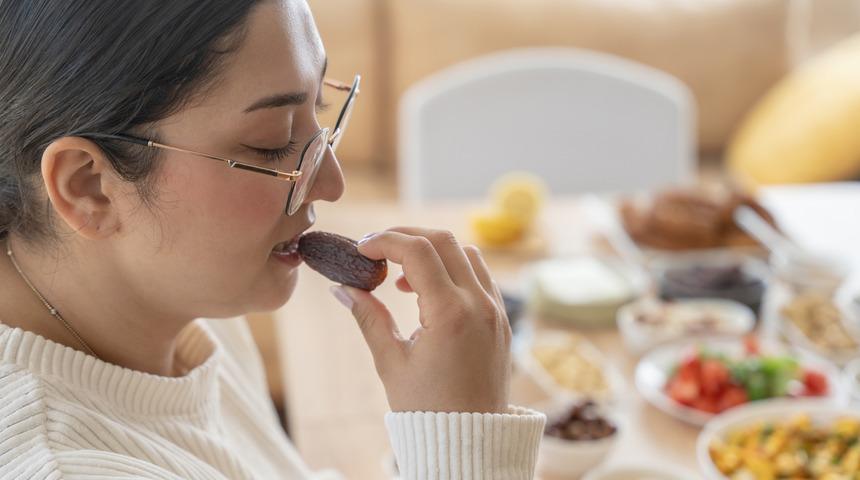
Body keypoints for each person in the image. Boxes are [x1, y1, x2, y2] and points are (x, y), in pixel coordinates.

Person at [0, 1, 544, 478]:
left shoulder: (188, 307)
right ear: (88, 186)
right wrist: (469, 447)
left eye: (321, 112)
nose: (331, 183)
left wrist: (436, 435)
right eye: (273, 142)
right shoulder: (64, 466)